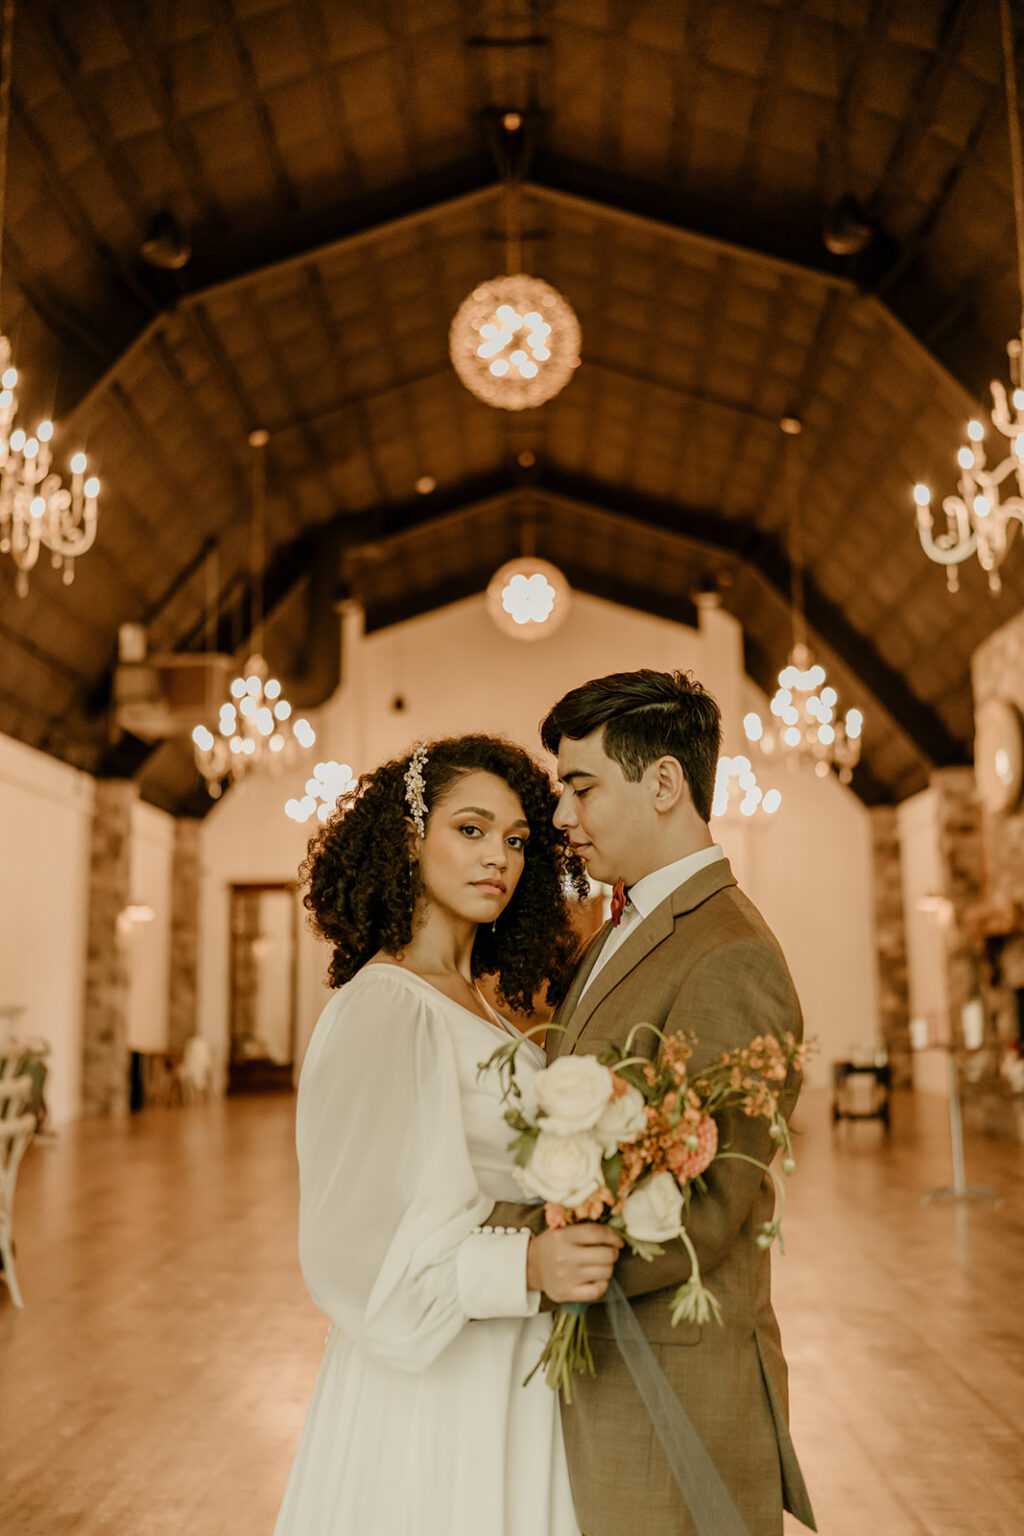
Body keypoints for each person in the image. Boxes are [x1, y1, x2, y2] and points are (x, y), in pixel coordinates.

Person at [490, 669, 817, 1536]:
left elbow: (703, 1207)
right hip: (606, 1364)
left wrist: (513, 1265)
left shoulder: (730, 952)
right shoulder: (617, 928)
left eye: (581, 786)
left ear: (664, 782)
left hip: (671, 1378)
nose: (562, 817)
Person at [273, 734, 622, 1536]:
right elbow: (355, 1248)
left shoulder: (491, 1008)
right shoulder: (386, 1006)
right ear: (407, 837)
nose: (497, 856)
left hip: (518, 1358)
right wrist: (526, 1263)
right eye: (470, 829)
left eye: (515, 840)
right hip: (432, 1379)